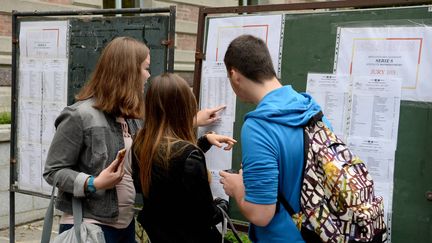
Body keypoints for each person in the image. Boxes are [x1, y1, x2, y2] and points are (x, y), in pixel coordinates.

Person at [43, 36, 226, 243]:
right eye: (145, 68)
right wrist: (93, 183)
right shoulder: (78, 116)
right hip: (90, 227)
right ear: (128, 72)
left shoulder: (131, 118)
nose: (148, 76)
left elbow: (156, 147)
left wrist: (195, 125)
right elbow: (53, 171)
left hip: (125, 225)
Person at [219, 35, 329, 242]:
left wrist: (237, 188)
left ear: (234, 75)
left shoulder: (258, 126)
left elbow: (261, 214)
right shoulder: (310, 109)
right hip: (320, 233)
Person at [132, 73, 237, 243]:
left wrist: (202, 142)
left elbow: (168, 165)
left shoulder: (140, 144)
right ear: (184, 109)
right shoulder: (190, 156)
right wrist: (222, 205)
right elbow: (207, 215)